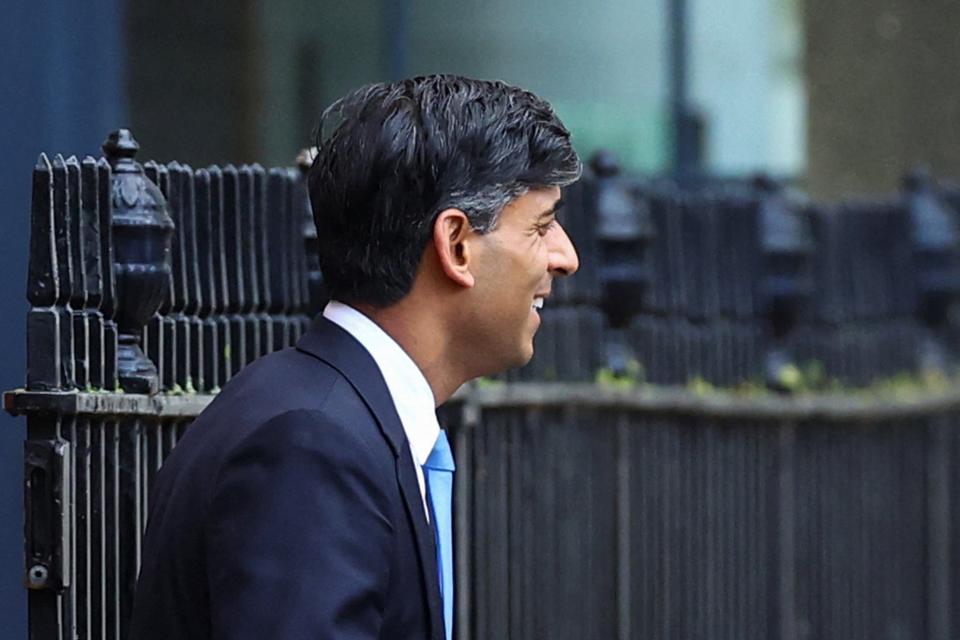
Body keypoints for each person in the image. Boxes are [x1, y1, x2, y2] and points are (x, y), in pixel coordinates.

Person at [131, 74, 581, 640]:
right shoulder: (312, 443)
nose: (566, 257)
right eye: (541, 227)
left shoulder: (337, 420)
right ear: (457, 244)